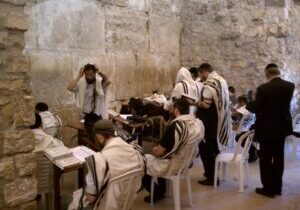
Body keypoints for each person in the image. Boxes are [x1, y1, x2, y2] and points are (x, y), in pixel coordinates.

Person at [68, 119, 145, 210]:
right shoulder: (137, 151)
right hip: (126, 205)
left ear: (99, 137)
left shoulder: (99, 160)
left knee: (71, 199)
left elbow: (91, 198)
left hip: (104, 206)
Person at [142, 98, 204, 203]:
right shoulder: (196, 124)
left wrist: (154, 149)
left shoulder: (176, 127)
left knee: (142, 161)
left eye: (172, 108)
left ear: (176, 110)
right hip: (185, 163)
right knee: (164, 154)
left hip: (173, 165)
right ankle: (162, 190)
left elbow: (158, 153)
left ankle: (157, 193)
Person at [247, 63, 295, 197]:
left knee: (265, 159)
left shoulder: (263, 88)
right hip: (282, 128)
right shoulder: (290, 86)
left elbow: (256, 107)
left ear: (267, 74)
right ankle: (277, 188)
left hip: (266, 128)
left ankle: (268, 189)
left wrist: (248, 103)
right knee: (279, 158)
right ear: (279, 72)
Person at [196, 63, 232, 186]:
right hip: (218, 120)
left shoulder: (209, 85)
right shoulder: (221, 80)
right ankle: (213, 173)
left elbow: (206, 104)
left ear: (204, 72)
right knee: (214, 147)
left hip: (208, 122)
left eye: (200, 74)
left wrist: (195, 102)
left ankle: (211, 177)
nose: (200, 77)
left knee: (205, 149)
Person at [67, 63, 111, 141]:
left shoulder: (99, 83)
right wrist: (79, 76)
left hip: (99, 116)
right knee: (94, 140)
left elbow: (108, 81)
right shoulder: (81, 84)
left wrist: (99, 71)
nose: (89, 77)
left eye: (91, 74)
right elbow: (69, 87)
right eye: (87, 75)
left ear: (94, 73)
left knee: (102, 139)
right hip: (88, 117)